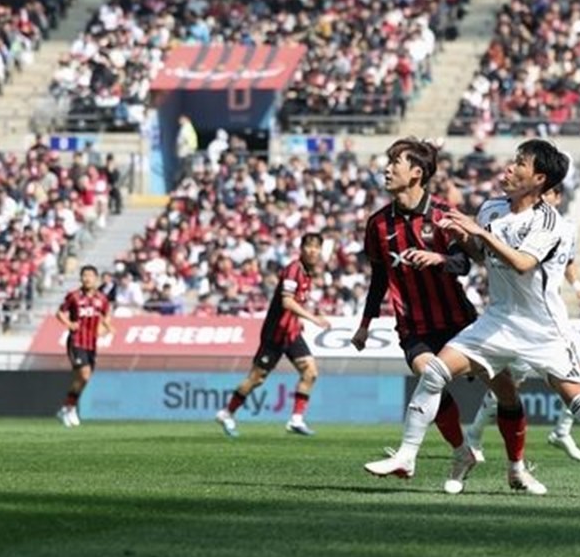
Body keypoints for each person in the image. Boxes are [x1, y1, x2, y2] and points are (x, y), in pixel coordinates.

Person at [364, 140, 580, 502]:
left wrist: (479, 233)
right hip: (498, 320)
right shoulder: (492, 208)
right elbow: (482, 257)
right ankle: (407, 456)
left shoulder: (550, 222)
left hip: (542, 329)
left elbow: (522, 263)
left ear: (539, 178)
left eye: (520, 163)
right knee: (435, 371)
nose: (509, 167)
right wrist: (464, 238)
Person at [352, 138, 535, 495]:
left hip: (458, 322)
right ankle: (461, 451)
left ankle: (517, 467)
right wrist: (364, 325)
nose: (386, 169)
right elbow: (379, 278)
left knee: (506, 391)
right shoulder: (377, 224)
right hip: (413, 326)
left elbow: (463, 264)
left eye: (394, 163)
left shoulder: (442, 214)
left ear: (416, 173)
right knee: (428, 375)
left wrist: (439, 260)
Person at [463, 183, 580, 463]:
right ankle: (474, 434)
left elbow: (568, 261)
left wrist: (578, 287)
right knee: (509, 385)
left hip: (553, 317)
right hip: (521, 318)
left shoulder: (565, 228)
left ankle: (562, 431)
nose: (542, 198)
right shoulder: (523, 223)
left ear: (558, 197)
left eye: (548, 193)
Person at [216, 233, 332, 437]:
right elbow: (287, 302)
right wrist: (313, 318)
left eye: (317, 247)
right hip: (275, 333)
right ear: (301, 249)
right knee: (256, 379)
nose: (313, 251)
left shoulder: (308, 273)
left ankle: (296, 420)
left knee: (310, 372)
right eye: (309, 246)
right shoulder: (293, 269)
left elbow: (297, 302)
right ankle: (227, 413)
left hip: (291, 333)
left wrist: (301, 320)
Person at [56, 265, 114, 427]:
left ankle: (68, 407)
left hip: (91, 343)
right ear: (81, 278)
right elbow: (60, 313)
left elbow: (107, 316)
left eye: (90, 276)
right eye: (84, 275)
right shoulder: (74, 296)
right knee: (84, 375)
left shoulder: (102, 299)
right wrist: (69, 324)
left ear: (96, 279)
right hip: (76, 341)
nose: (87, 278)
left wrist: (105, 328)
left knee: (82, 380)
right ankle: (68, 408)